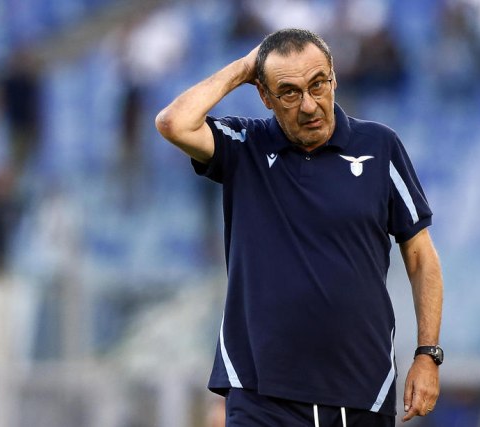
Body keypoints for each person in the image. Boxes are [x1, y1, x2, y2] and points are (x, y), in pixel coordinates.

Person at [155, 28, 444, 426]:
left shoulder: (380, 147)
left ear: (333, 77)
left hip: (363, 390)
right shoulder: (245, 145)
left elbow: (421, 256)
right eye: (289, 93)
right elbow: (174, 123)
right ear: (265, 96)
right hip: (260, 394)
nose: (309, 105)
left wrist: (428, 354)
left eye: (318, 84)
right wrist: (243, 68)